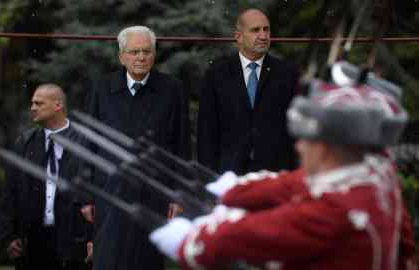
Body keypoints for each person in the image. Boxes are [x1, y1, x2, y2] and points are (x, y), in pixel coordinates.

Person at [151, 80, 414, 269]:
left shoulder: (335, 209)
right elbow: (296, 185)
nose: (298, 146)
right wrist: (237, 191)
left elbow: (261, 233)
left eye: (305, 140)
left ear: (324, 150)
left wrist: (193, 242)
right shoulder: (373, 173)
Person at [82, 25, 189, 270]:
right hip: (109, 191)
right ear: (121, 56)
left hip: (154, 193)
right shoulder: (102, 88)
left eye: (146, 51)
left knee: (147, 261)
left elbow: (180, 144)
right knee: (109, 261)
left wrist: (178, 195)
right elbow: (89, 142)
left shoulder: (171, 89)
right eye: (134, 52)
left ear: (154, 54)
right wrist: (86, 196)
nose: (141, 57)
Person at [0, 84, 90, 270]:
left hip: (75, 241)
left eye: (39, 103)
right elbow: (10, 191)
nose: (33, 108)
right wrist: (9, 235)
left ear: (58, 105)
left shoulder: (86, 143)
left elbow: (98, 194)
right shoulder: (25, 142)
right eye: (32, 103)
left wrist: (95, 239)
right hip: (34, 241)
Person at [197, 8, 299, 175]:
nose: (263, 36)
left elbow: (295, 130)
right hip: (228, 175)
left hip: (275, 174)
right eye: (255, 30)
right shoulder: (217, 74)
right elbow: (207, 132)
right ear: (238, 36)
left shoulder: (287, 73)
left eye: (266, 29)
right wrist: (208, 178)